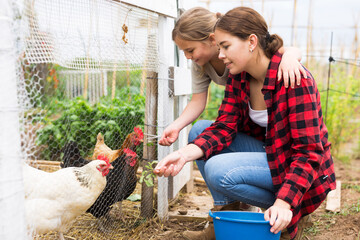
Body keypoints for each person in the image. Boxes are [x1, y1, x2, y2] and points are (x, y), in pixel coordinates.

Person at [154, 6, 336, 240]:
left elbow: (308, 153)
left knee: (219, 170)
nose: (220, 55)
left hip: (300, 169)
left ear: (251, 42)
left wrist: (284, 202)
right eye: (219, 47)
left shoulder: (294, 79)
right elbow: (224, 126)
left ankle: (289, 211)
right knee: (201, 132)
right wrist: (184, 154)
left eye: (226, 46)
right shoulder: (239, 76)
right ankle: (229, 216)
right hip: (272, 152)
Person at [158, 7, 306, 147]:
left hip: (272, 129)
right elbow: (198, 101)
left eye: (190, 50)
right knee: (199, 132)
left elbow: (280, 50)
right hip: (247, 118)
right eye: (183, 51)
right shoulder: (202, 64)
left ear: (212, 40)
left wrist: (290, 57)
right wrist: (176, 126)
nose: (187, 56)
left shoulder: (242, 54)